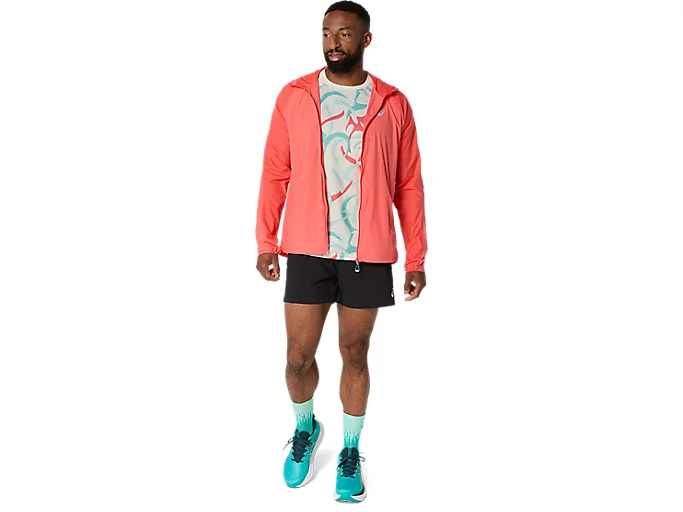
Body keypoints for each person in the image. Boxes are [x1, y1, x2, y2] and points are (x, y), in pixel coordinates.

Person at [255, 0, 427, 503]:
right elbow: (275, 171)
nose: (333, 42)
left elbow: (409, 185)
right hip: (307, 248)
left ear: (365, 40)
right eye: (327, 32)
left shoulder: (393, 104)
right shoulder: (295, 96)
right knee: (297, 357)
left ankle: (350, 450)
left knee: (355, 353)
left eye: (345, 33)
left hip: (366, 252)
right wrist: (266, 241)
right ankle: (306, 428)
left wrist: (415, 257)